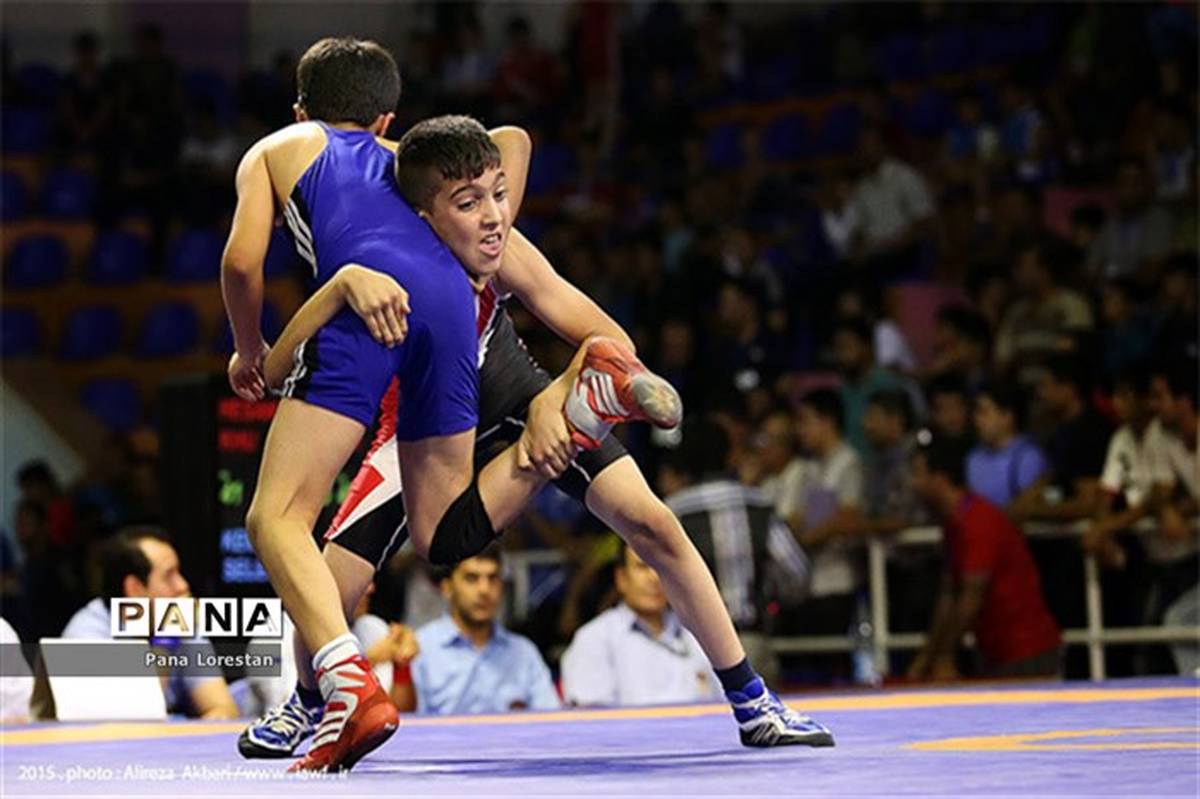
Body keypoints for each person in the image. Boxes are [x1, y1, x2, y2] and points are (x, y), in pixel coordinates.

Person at [237, 112, 831, 759]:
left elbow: (607, 333)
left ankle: (752, 699)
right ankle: (306, 702)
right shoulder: (383, 262)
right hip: (418, 432)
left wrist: (556, 394)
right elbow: (291, 355)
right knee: (332, 581)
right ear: (425, 216)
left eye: (498, 196)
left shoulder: (501, 246)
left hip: (515, 394)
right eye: (471, 203)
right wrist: (328, 299)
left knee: (653, 522)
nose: (495, 216)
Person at [221, 39, 678, 772]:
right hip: (455, 308)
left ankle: (345, 682)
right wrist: (495, 213)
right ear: (387, 121)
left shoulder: (278, 148)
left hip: (372, 305)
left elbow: (242, 262)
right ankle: (568, 421)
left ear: (301, 111)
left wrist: (249, 346)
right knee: (442, 532)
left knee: (275, 518)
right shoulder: (407, 162)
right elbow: (509, 142)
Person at [657, 417, 811, 691]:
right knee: (761, 716)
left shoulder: (672, 511)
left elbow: (655, 580)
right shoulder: (758, 503)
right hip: (751, 641)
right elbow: (796, 573)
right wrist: (773, 602)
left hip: (691, 646)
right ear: (729, 456)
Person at [907, 434, 1062, 680]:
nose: (912, 483)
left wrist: (944, 656)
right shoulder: (955, 523)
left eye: (917, 474)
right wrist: (928, 657)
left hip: (1024, 650)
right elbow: (949, 596)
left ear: (939, 479)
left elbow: (971, 596)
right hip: (998, 651)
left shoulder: (977, 522)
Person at [61, 528, 240, 719]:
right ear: (135, 589)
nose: (183, 586)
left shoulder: (179, 622)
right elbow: (132, 718)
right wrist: (166, 640)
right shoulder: (87, 636)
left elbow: (224, 709)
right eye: (169, 576)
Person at [561, 541, 722, 707]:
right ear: (622, 578)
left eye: (661, 568)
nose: (654, 577)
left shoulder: (699, 634)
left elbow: (728, 703)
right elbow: (590, 717)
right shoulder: (594, 639)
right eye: (643, 567)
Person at [400, 547, 559, 714]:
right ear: (447, 588)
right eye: (471, 578)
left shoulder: (524, 653)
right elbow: (410, 724)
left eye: (493, 578)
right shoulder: (419, 649)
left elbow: (552, 720)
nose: (484, 590)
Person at [966, 382, 1049, 509]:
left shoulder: (1028, 459)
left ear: (1007, 417)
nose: (977, 419)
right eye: (976, 413)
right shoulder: (973, 458)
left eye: (984, 412)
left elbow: (1031, 509)